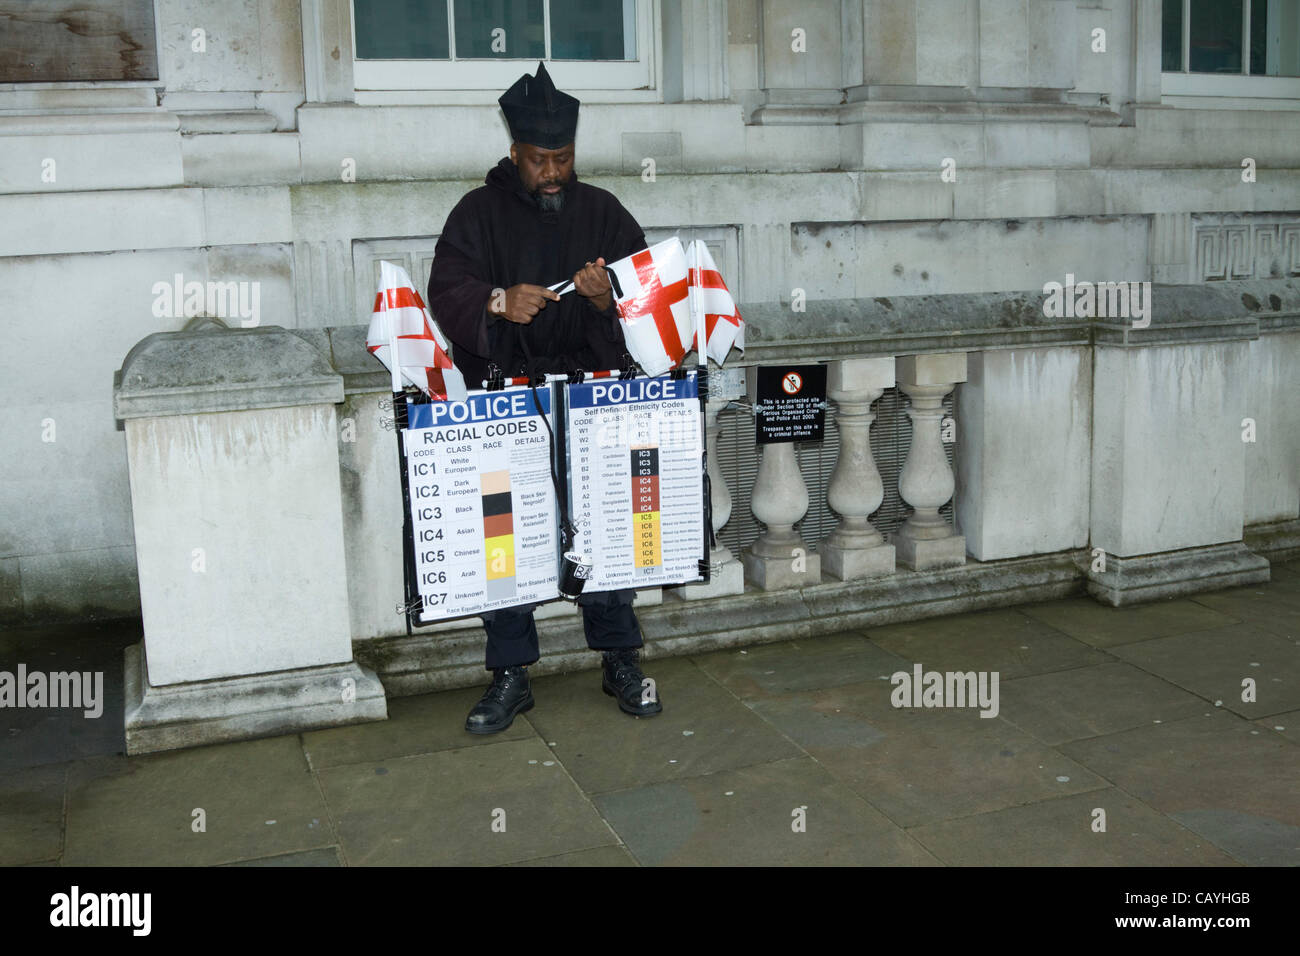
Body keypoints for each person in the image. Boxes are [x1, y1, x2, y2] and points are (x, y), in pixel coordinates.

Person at [427, 62, 662, 734]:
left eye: (562, 158)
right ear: (514, 155)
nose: (553, 172)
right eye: (539, 160)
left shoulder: (604, 212)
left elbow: (645, 294)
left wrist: (605, 296)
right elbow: (448, 289)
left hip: (590, 400)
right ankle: (510, 674)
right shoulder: (476, 213)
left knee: (605, 529)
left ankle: (620, 657)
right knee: (504, 535)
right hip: (510, 402)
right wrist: (498, 302)